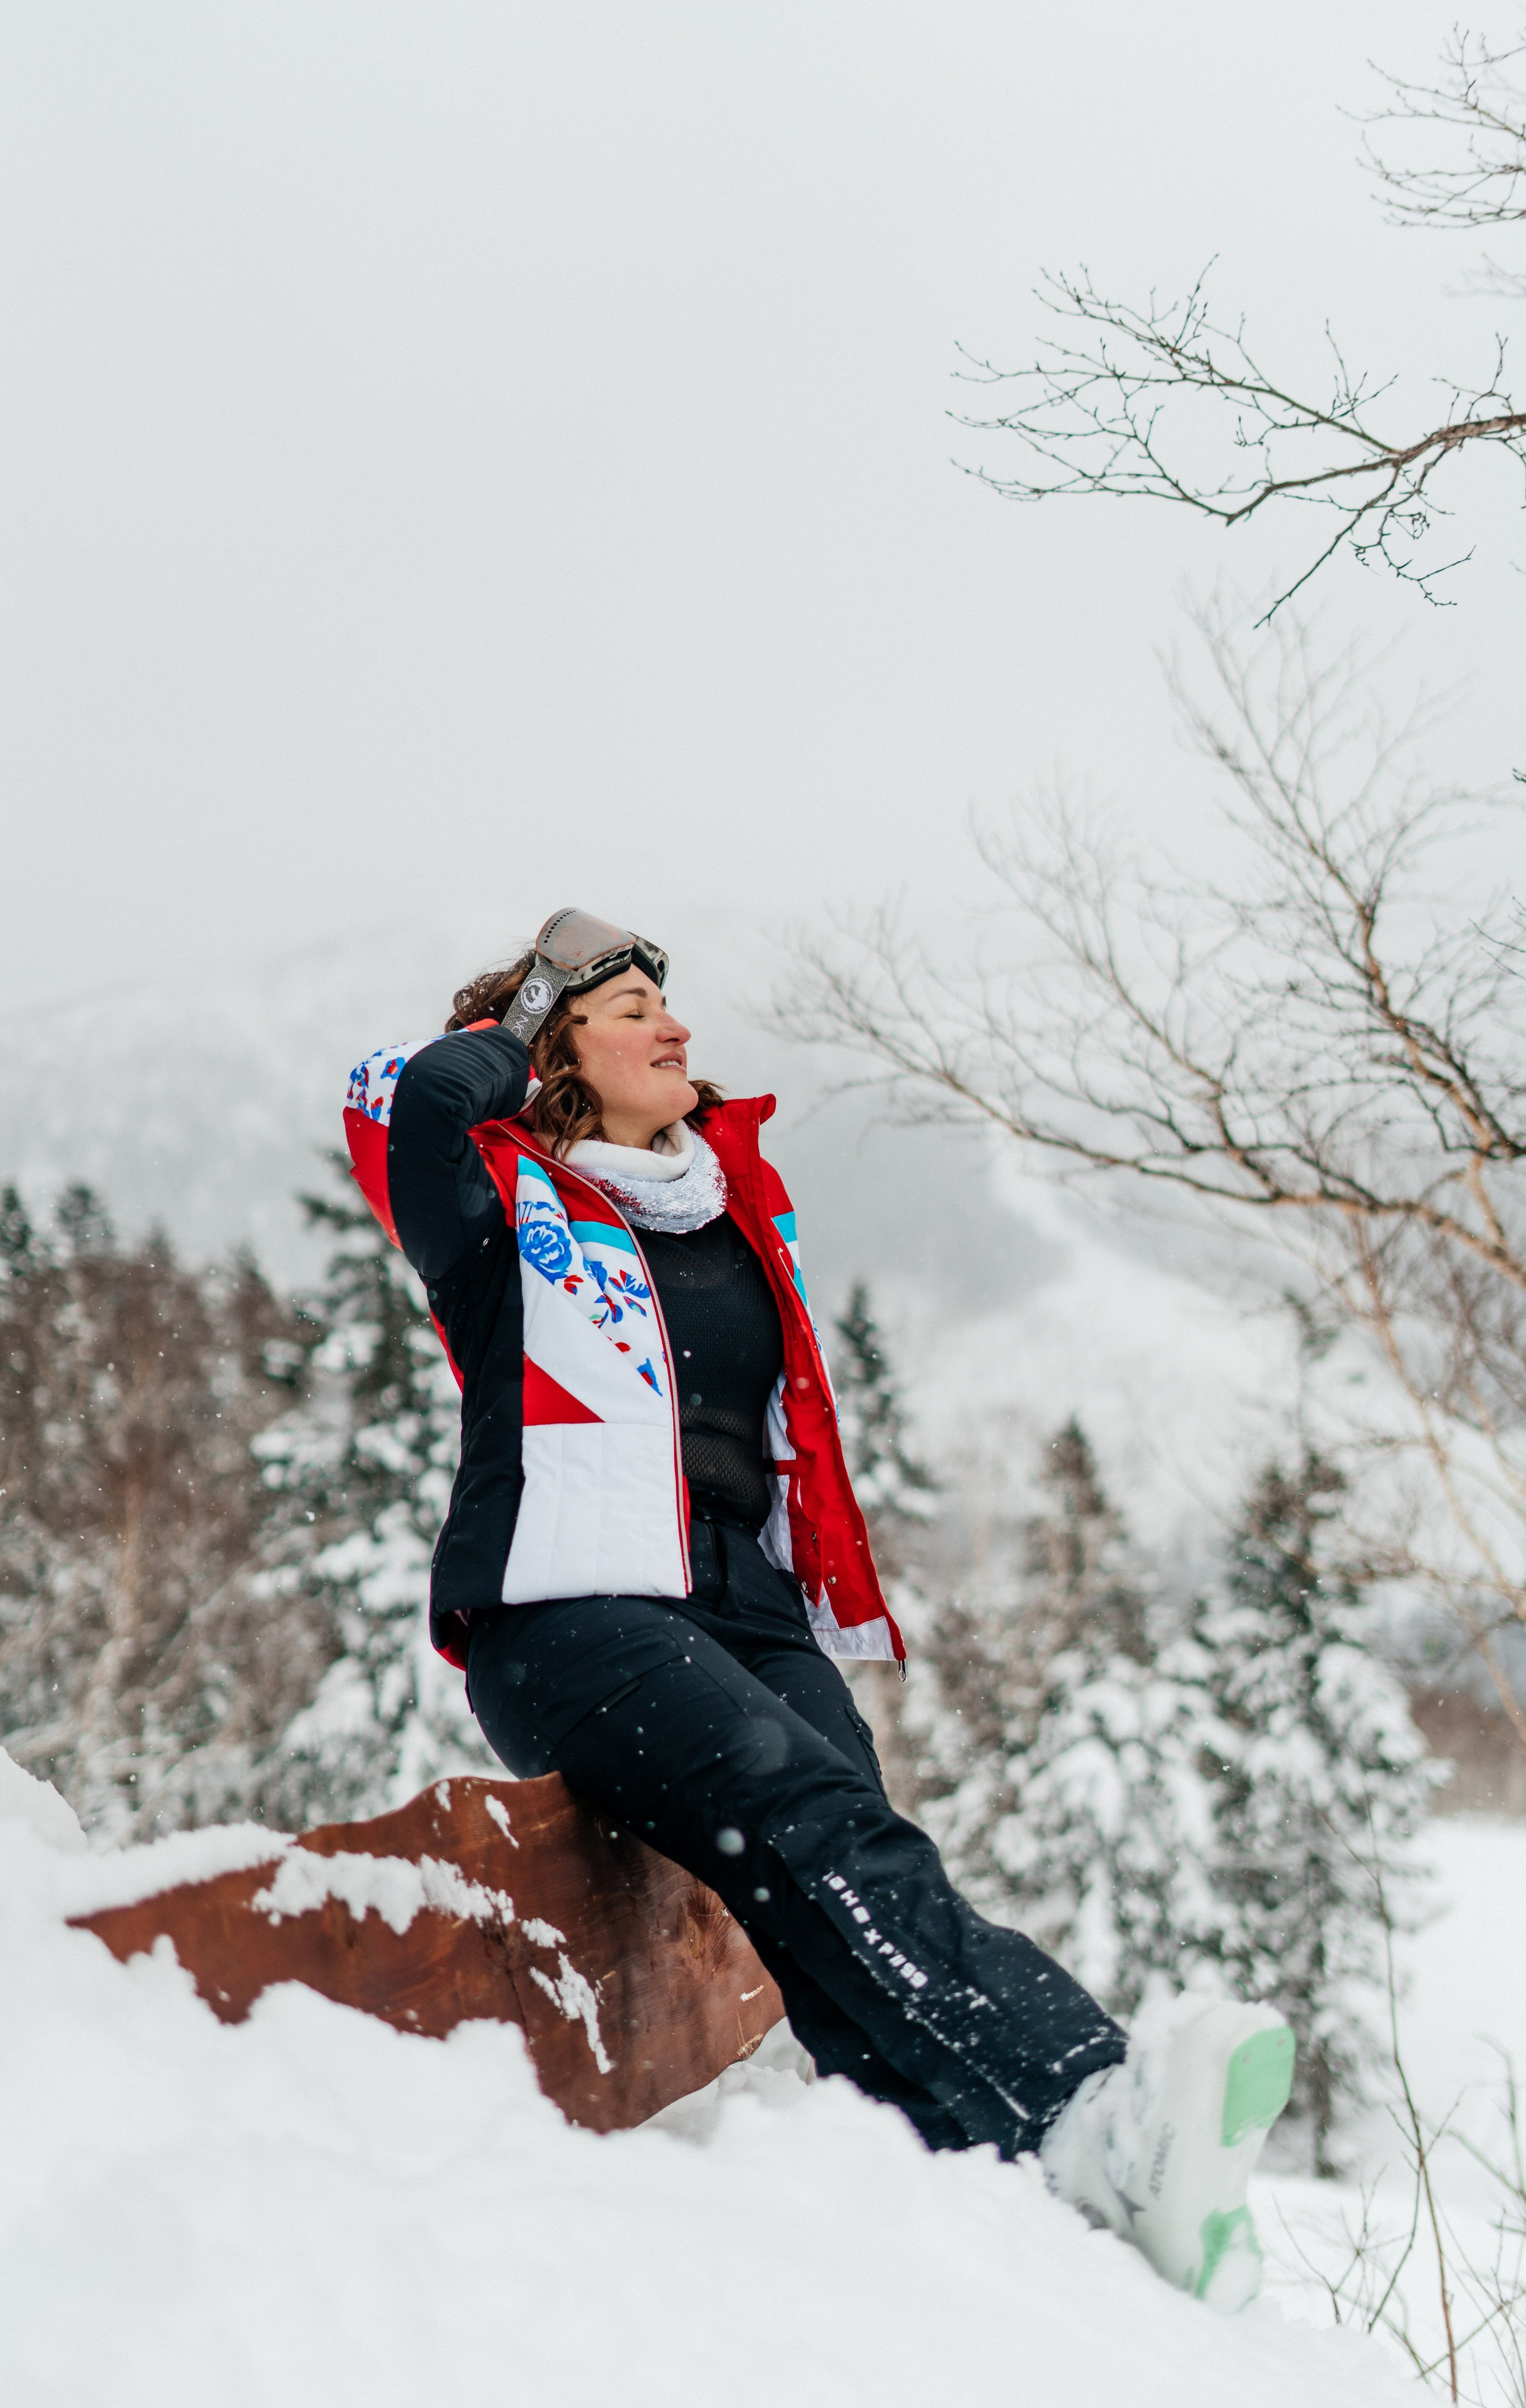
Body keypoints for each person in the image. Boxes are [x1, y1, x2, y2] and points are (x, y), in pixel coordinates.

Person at [344, 908, 1295, 2312]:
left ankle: (1001, 2193)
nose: (673, 1025)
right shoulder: (495, 1212)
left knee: (843, 1864)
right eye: (626, 1009)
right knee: (807, 1814)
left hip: (750, 1604)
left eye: (670, 1003)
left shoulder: (719, 1204)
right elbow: (423, 1093)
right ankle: (1092, 2108)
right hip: (571, 1609)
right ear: (552, 1049)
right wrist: (535, 994)